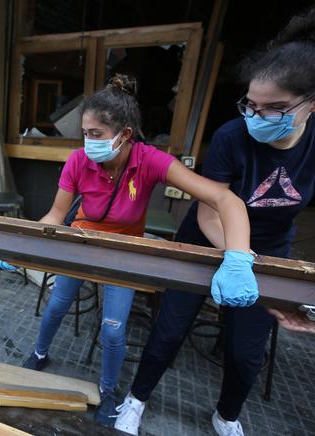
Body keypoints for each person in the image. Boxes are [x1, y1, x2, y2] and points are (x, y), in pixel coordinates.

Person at [114, 8, 315, 436]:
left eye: (275, 109)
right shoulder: (230, 137)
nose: (257, 117)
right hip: (208, 240)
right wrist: (236, 257)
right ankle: (137, 398)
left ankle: (227, 416)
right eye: (251, 105)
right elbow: (211, 209)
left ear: (311, 104)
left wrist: (265, 272)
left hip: (268, 251)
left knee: (246, 351)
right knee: (169, 330)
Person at [18, 74, 256, 427]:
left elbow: (222, 197)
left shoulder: (149, 161)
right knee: (56, 305)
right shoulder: (78, 161)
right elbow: (55, 214)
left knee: (114, 330)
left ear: (125, 134)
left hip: (125, 250)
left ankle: (108, 390)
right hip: (81, 241)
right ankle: (39, 353)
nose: (88, 142)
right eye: (85, 134)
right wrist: (25, 242)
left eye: (96, 134)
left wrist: (238, 254)